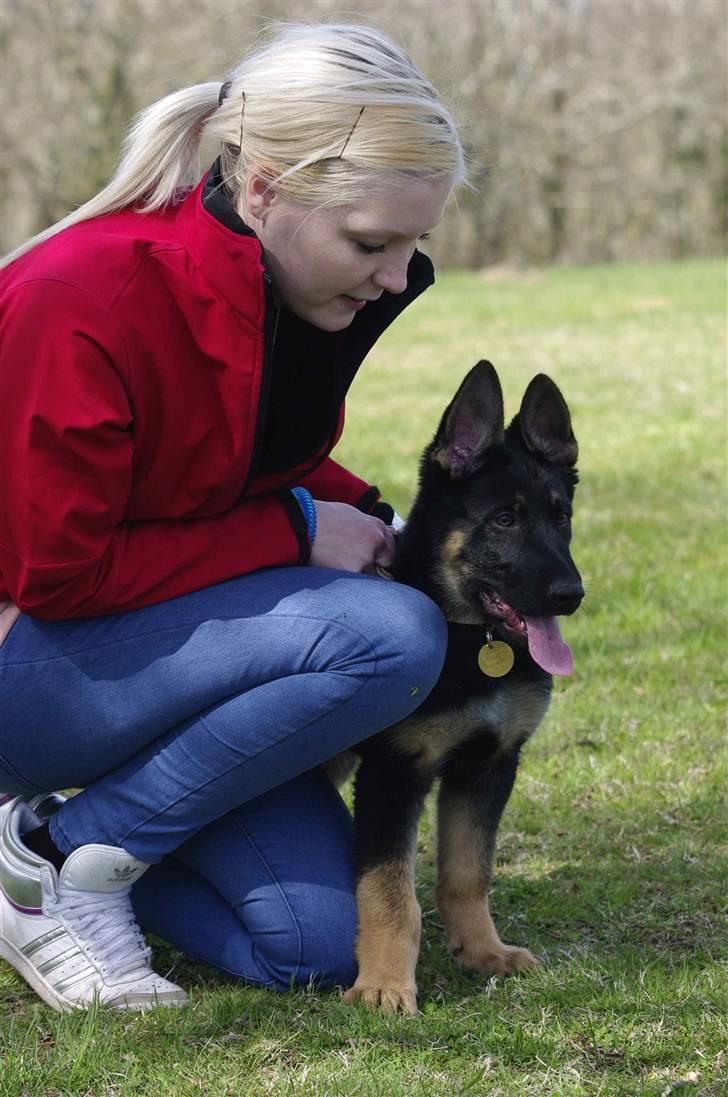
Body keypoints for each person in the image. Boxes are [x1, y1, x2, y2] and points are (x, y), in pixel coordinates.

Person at [0, 21, 464, 1011]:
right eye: (371, 242)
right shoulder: (83, 293)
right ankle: (55, 854)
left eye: (412, 245)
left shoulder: (278, 296)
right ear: (262, 190)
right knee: (387, 638)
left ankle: (78, 838)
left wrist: (367, 520)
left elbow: (224, 460)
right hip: (31, 660)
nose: (394, 276)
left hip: (142, 675)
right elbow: (60, 573)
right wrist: (299, 533)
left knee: (318, 947)